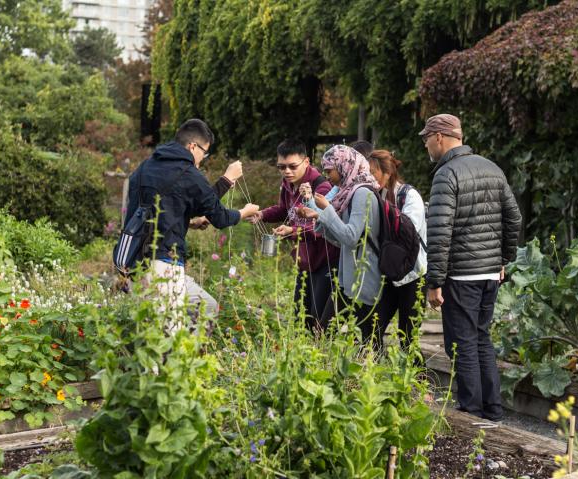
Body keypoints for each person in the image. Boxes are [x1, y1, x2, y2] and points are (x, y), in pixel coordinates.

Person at [422, 113, 521, 421]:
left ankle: (471, 413)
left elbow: (439, 233)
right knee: (481, 339)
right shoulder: (492, 168)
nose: (425, 145)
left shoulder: (446, 174)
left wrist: (434, 282)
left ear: (440, 137)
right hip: (490, 274)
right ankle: (492, 409)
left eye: (426, 138)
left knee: (462, 343)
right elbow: (514, 218)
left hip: (461, 275)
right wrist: (503, 260)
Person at [124, 119, 260, 317]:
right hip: (164, 264)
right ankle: (187, 348)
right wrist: (244, 210)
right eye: (204, 152)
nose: (203, 158)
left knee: (200, 307)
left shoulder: (145, 167)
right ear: (193, 146)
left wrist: (188, 221)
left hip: (135, 261)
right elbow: (220, 217)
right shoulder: (187, 172)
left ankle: (191, 348)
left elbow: (157, 209)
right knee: (167, 334)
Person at [247, 139, 338, 331]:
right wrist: (262, 214)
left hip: (324, 261)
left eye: (292, 166)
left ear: (306, 162)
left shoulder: (322, 187)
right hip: (303, 260)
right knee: (300, 316)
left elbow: (322, 227)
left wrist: (292, 231)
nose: (287, 171)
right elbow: (283, 209)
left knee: (318, 319)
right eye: (282, 167)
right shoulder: (288, 184)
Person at [300, 145, 385, 349]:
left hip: (365, 278)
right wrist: (320, 216)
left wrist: (327, 211)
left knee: (369, 340)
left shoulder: (362, 193)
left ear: (344, 166)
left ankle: (373, 377)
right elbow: (340, 239)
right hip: (350, 280)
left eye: (330, 170)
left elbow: (350, 237)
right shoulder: (349, 192)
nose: (327, 175)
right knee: (327, 330)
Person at [367, 149, 427, 349]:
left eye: (372, 172)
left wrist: (386, 209)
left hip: (413, 274)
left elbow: (409, 231)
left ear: (387, 172)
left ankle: (418, 379)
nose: (369, 177)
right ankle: (370, 376)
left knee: (408, 336)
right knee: (372, 328)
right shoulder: (374, 195)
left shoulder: (409, 196)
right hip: (387, 273)